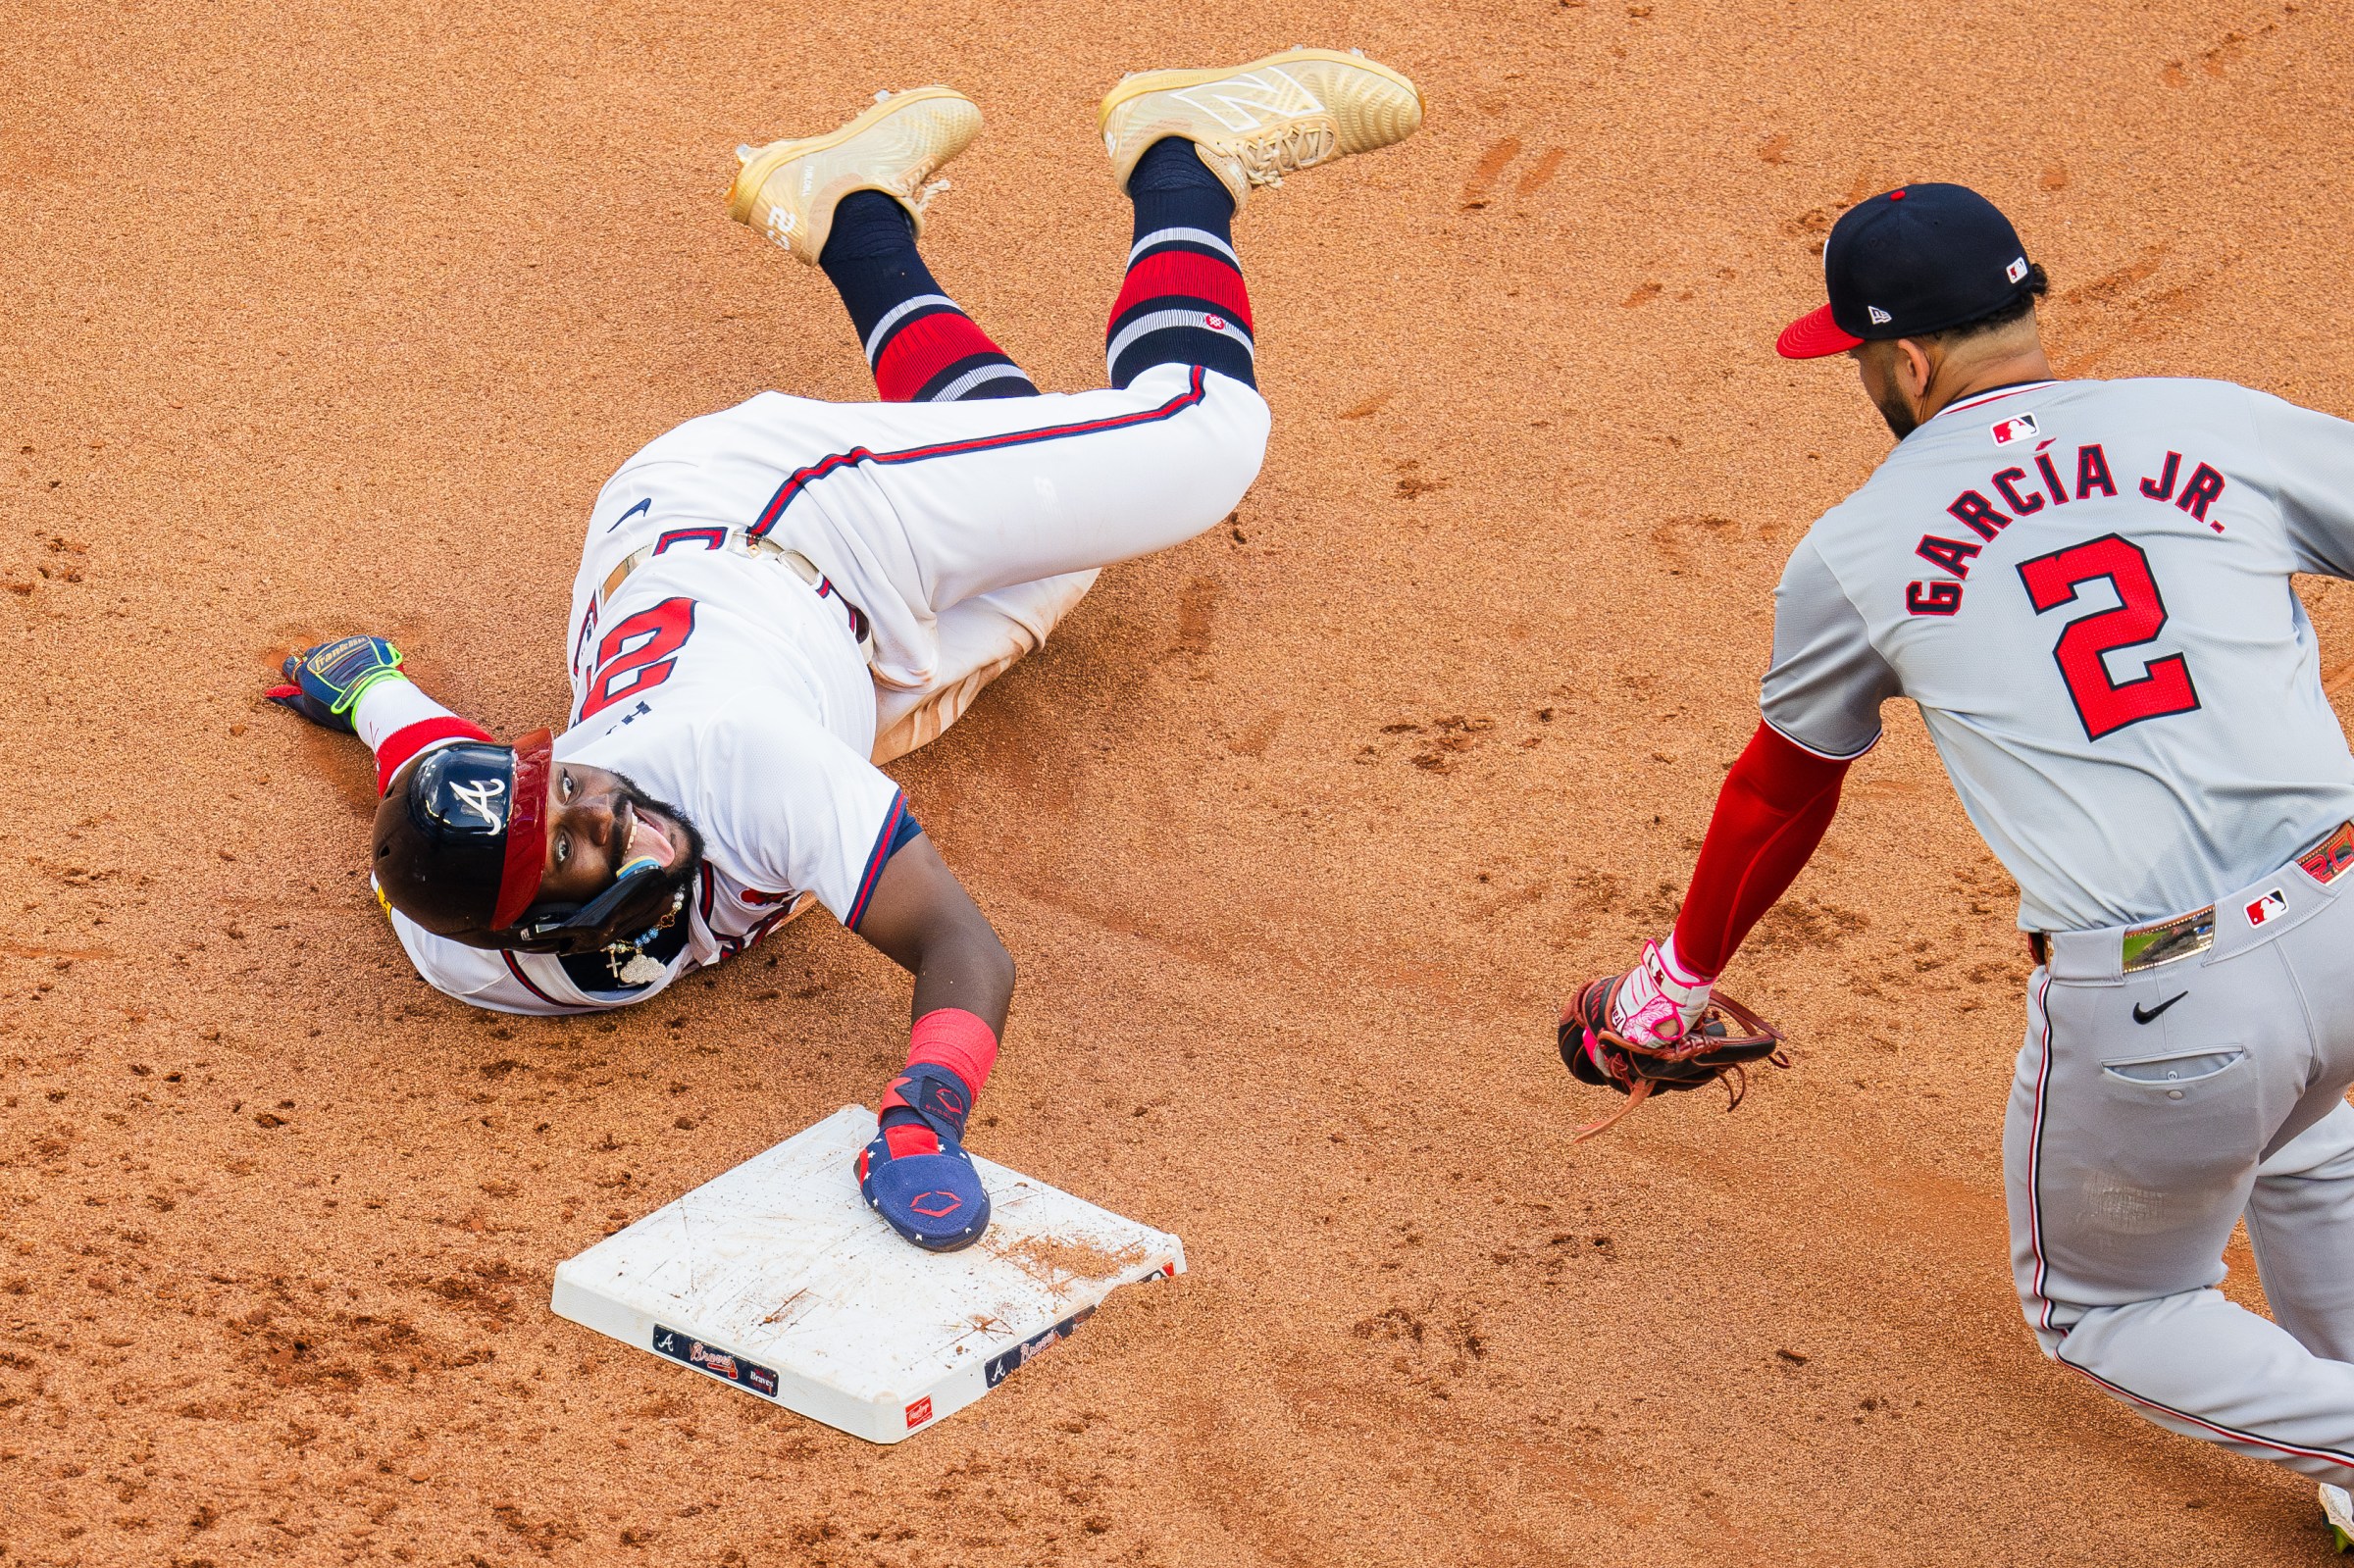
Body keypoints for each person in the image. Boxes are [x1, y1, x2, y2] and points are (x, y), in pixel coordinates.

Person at [269, 49, 1424, 1251]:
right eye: (564, 845)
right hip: (827, 655)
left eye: (564, 789)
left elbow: (958, 944)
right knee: (1057, 531)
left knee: (1201, 444)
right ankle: (850, 211)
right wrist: (374, 695)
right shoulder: (456, 955)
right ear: (518, 932)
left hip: (771, 513)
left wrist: (924, 1121)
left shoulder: (739, 765)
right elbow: (439, 785)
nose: (598, 810)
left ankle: (1186, 157)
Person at [1559, 182, 2354, 1516]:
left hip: (2167, 1003)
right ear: (2030, 305)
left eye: (1862, 357)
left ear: (1906, 361)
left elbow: (1781, 789)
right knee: (2299, 1131)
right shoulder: (2217, 418)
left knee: (2107, 1308)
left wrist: (1677, 976)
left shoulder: (1857, 548)